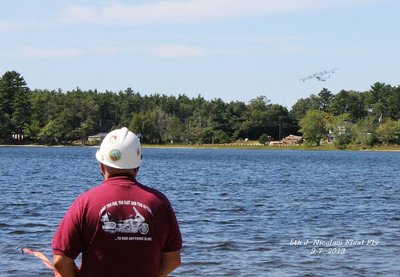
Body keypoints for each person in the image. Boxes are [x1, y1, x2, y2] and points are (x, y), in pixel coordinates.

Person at [52, 127, 182, 277]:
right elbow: (173, 260)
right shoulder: (159, 202)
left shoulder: (85, 202)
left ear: (101, 165)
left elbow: (60, 261)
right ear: (137, 166)